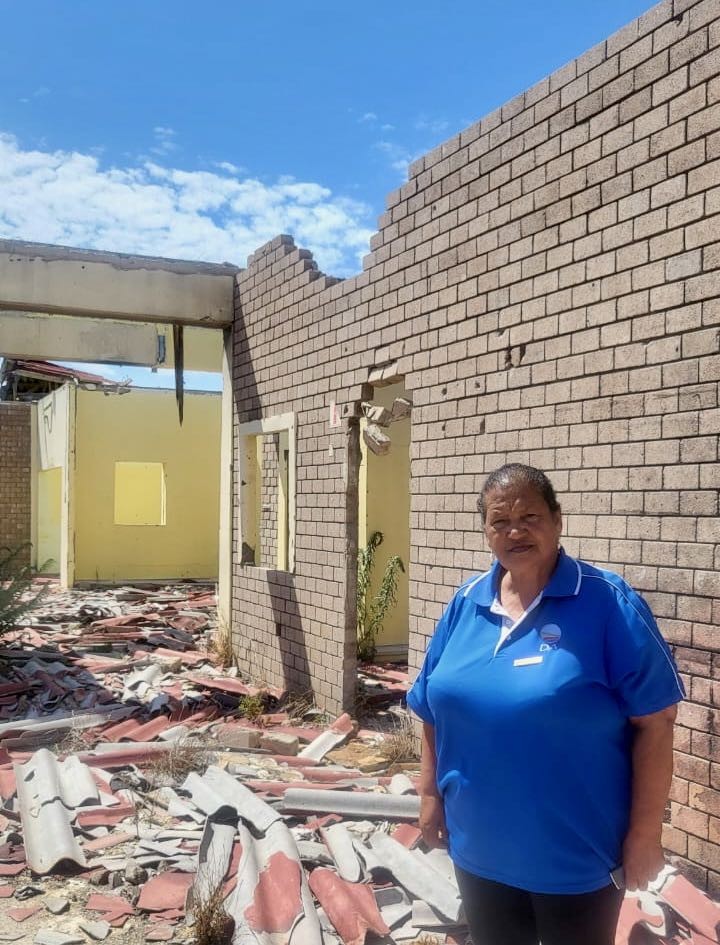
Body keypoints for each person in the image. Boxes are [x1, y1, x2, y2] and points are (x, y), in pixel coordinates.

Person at [407, 463, 684, 945]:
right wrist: (430, 796)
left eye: (530, 516)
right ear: (486, 530)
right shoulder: (465, 603)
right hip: (479, 847)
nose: (515, 530)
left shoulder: (607, 603)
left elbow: (656, 724)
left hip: (575, 857)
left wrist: (644, 836)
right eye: (499, 521)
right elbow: (433, 707)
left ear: (557, 521)